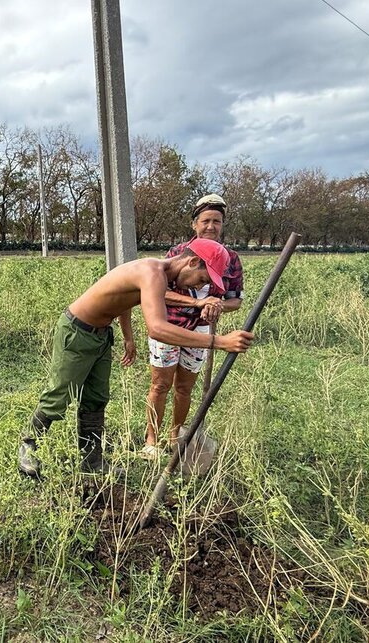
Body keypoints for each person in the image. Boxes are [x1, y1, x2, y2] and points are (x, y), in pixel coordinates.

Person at [17, 238, 254, 479]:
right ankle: (28, 447)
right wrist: (220, 342)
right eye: (202, 279)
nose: (199, 286)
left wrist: (127, 337)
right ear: (192, 262)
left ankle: (92, 461)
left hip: (100, 335)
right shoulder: (152, 272)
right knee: (59, 395)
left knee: (96, 398)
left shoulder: (159, 275)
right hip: (77, 332)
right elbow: (158, 329)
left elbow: (125, 300)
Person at [141, 194, 244, 460]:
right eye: (206, 221)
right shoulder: (178, 254)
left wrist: (218, 305)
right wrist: (197, 303)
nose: (211, 226)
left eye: (217, 222)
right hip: (170, 326)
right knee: (159, 385)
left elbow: (236, 300)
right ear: (195, 224)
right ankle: (151, 439)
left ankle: (176, 435)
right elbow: (158, 293)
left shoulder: (231, 259)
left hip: (200, 332)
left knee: (184, 387)